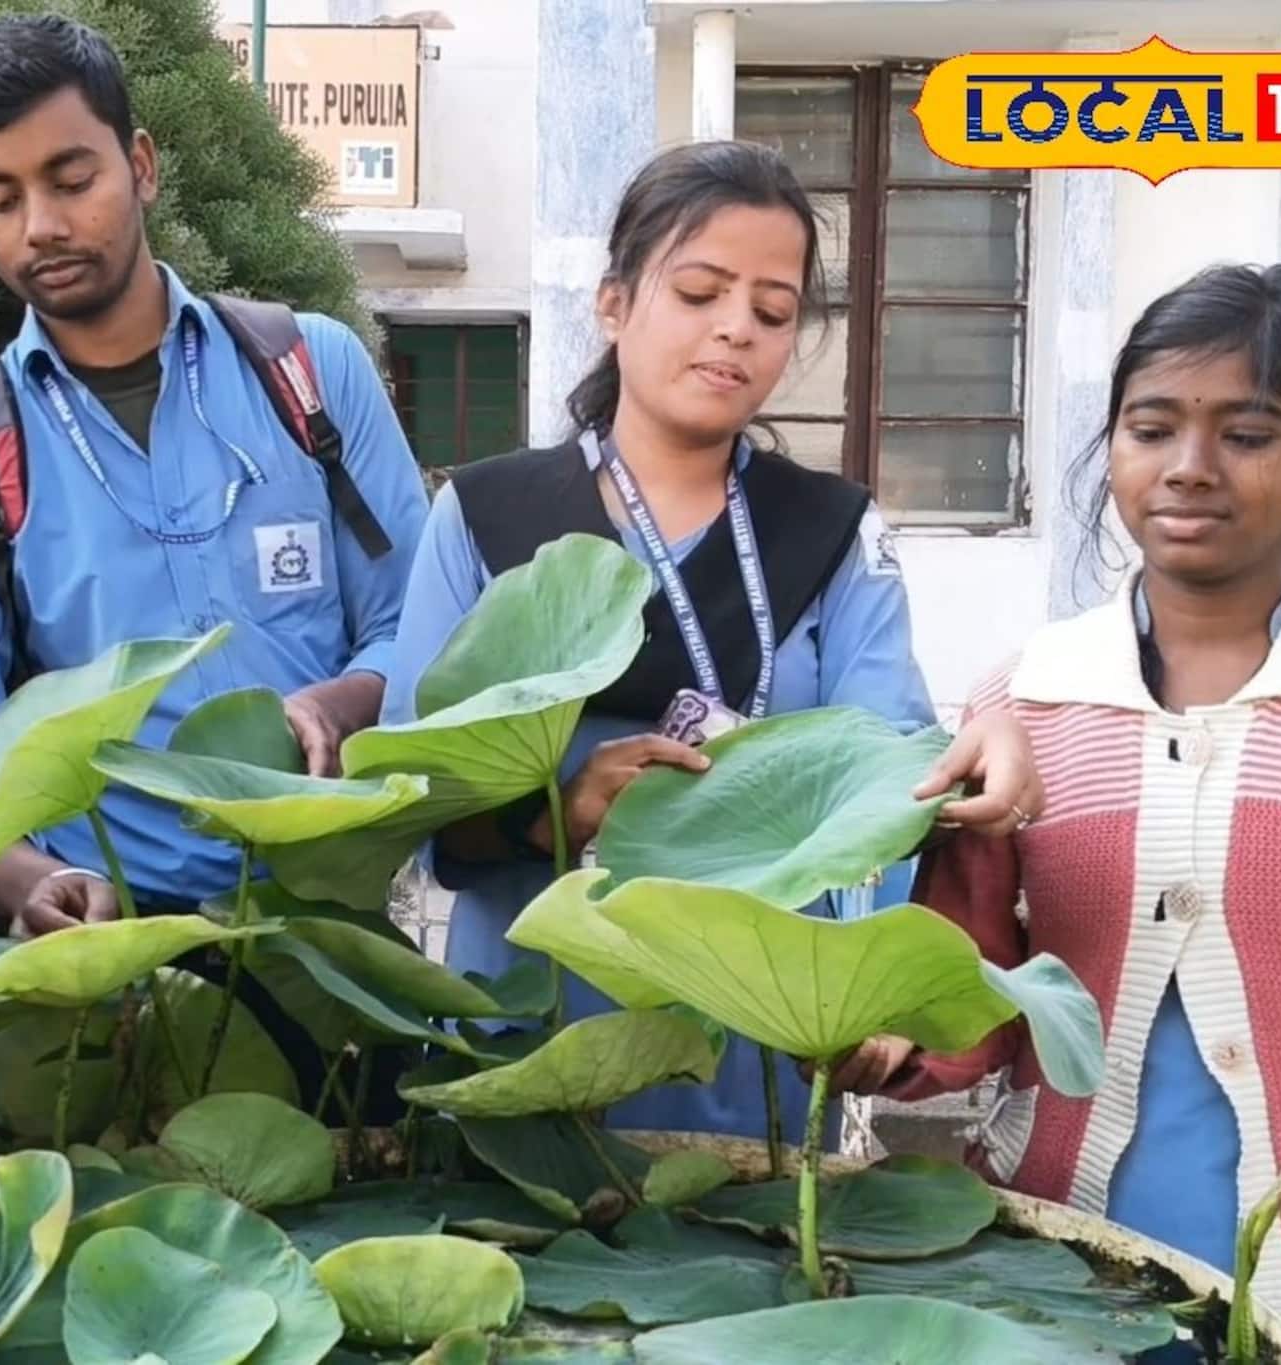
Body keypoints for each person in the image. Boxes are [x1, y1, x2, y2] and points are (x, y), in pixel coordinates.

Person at [382, 140, 1043, 1144]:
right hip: (538, 1027)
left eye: (771, 313)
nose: (735, 329)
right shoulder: (482, 517)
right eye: (697, 293)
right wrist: (551, 814)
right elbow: (411, 800)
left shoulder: (832, 533)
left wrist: (981, 745)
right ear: (612, 304)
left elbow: (890, 776)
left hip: (759, 1038)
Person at [844, 264, 1281, 1364]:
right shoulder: (1019, 701)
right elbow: (964, 985)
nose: (1188, 470)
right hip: (1060, 1280)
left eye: (1246, 435)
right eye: (1149, 427)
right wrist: (874, 1038)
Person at [0, 17, 428, 1095]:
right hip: (110, 988)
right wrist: (35, 886)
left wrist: (352, 697)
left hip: (337, 954)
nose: (40, 224)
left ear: (139, 165)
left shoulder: (309, 376)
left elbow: (423, 626)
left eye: (70, 176)